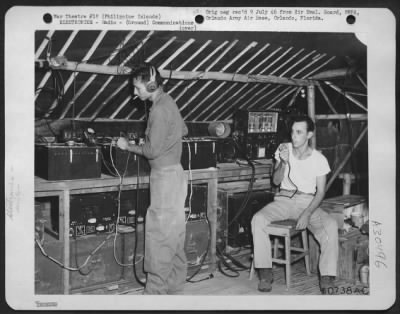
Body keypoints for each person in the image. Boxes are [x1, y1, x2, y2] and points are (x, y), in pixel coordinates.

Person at [117, 64, 188, 294]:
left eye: (137, 88)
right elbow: (183, 129)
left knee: (158, 236)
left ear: (150, 85)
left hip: (165, 179)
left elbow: (152, 151)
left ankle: (154, 294)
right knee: (174, 235)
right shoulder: (169, 101)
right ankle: (175, 289)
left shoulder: (158, 110)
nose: (134, 93)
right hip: (176, 175)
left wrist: (128, 146)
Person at [251, 115, 338, 294]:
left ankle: (327, 277)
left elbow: (321, 192)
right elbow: (275, 182)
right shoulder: (284, 149)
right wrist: (282, 162)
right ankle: (266, 273)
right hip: (284, 199)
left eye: (299, 132)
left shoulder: (318, 159)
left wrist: (306, 214)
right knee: (257, 220)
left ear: (309, 135)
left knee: (330, 225)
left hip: (308, 201)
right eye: (292, 131)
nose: (294, 136)